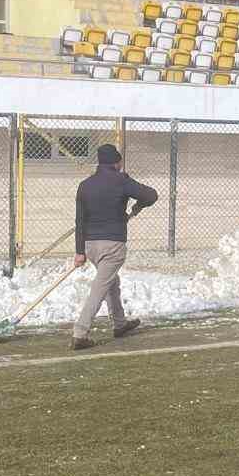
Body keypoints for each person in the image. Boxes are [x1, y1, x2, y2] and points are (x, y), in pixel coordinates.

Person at [72, 143, 159, 350]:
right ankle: (80, 333)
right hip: (113, 245)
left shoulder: (85, 185)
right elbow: (152, 195)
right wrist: (136, 207)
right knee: (99, 288)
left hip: (91, 246)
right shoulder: (122, 181)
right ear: (116, 162)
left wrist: (79, 252)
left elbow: (79, 221)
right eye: (120, 161)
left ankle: (120, 324)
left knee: (111, 282)